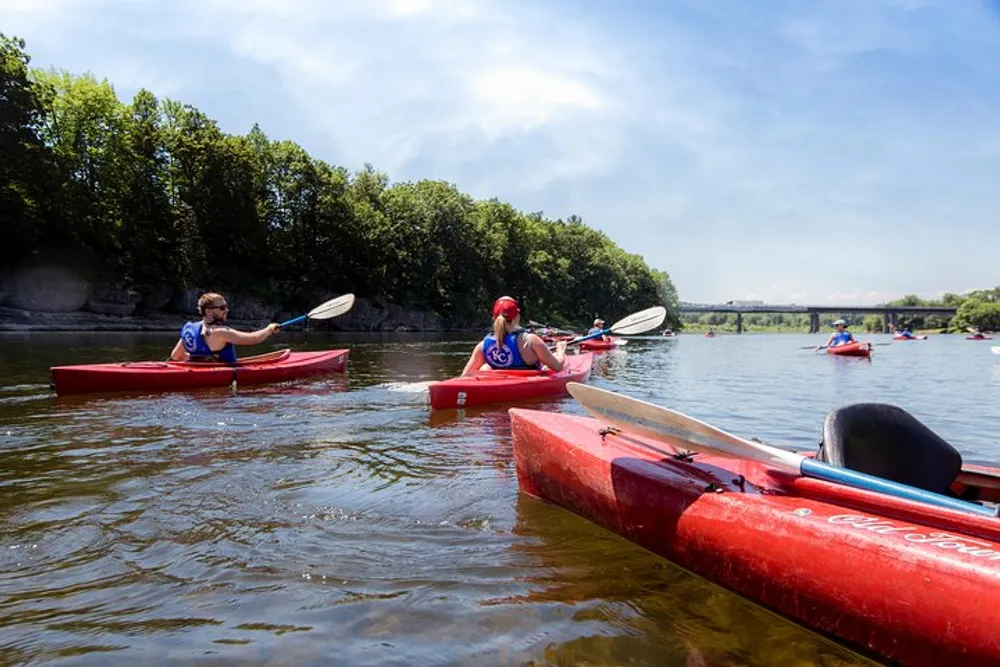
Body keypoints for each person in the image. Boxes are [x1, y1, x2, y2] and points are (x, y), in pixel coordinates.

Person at [462, 296, 567, 375]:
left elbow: (465, 376)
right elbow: (557, 367)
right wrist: (561, 350)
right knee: (556, 365)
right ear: (517, 317)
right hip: (526, 387)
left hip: (499, 386)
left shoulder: (483, 345)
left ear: (494, 318)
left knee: (485, 368)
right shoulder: (530, 341)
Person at [170, 292, 280, 363]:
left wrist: (198, 360)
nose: (226, 310)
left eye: (226, 307)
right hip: (219, 376)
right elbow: (253, 339)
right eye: (222, 308)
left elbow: (176, 356)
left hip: (199, 372)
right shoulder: (221, 332)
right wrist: (269, 329)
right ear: (208, 311)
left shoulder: (190, 329)